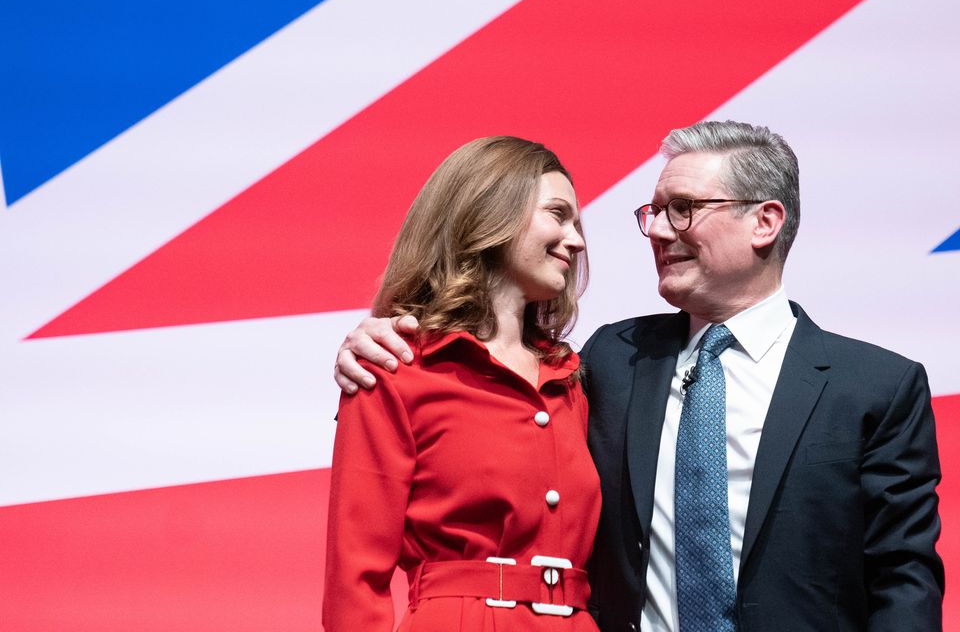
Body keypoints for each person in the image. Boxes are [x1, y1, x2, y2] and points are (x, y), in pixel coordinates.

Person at [332, 121, 944, 631]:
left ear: (765, 222)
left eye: (683, 210)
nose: (655, 229)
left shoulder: (874, 388)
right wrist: (374, 340)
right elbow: (486, 395)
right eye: (653, 211)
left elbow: (903, 579)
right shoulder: (610, 362)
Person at [323, 135, 603, 631]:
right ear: (489, 213)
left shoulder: (572, 380)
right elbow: (355, 581)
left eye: (577, 224)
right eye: (558, 215)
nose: (576, 240)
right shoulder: (394, 368)